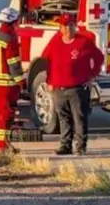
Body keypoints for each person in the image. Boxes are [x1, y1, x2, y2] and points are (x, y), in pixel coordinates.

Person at [42, 14, 104, 156]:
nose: (68, 28)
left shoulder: (84, 42)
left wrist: (92, 75)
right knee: (63, 118)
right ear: (60, 28)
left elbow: (99, 57)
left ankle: (80, 147)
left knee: (79, 118)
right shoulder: (55, 42)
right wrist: (49, 81)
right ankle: (65, 145)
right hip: (59, 88)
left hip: (78, 88)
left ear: (74, 27)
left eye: (71, 25)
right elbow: (47, 60)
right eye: (65, 26)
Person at [0, 7, 25, 154]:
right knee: (5, 115)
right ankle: (2, 146)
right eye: (17, 21)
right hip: (6, 85)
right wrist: (21, 80)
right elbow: (13, 63)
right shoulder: (10, 39)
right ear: (12, 22)